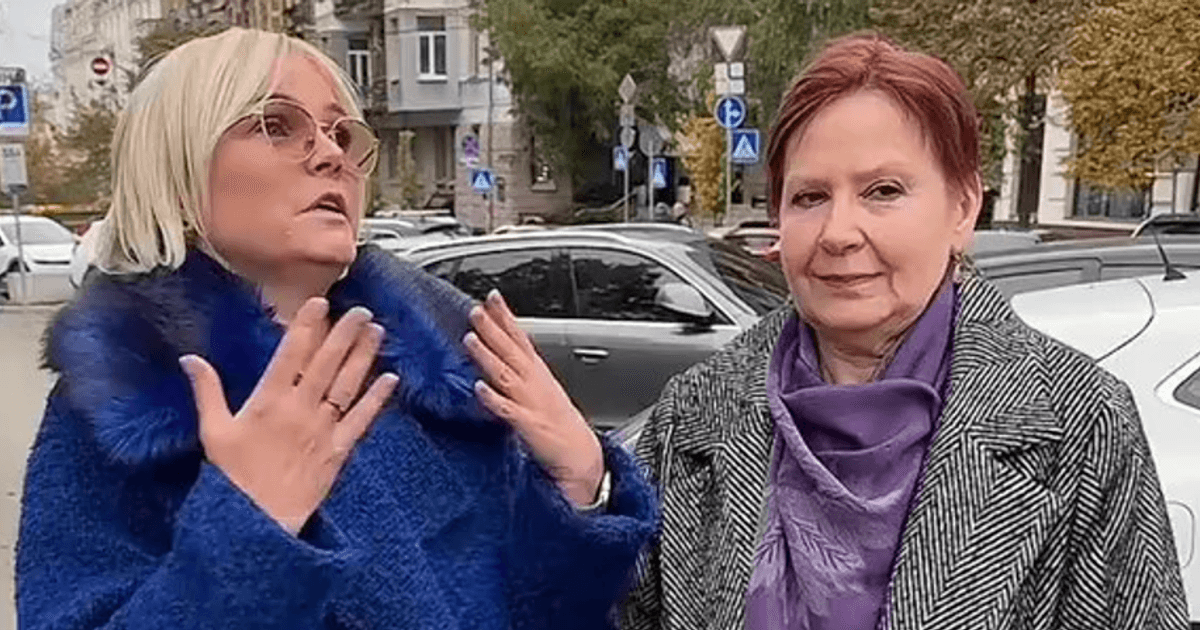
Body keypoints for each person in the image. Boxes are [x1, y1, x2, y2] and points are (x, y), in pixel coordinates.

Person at [469, 34, 1188, 629]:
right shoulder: (698, 412)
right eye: (810, 196)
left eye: (883, 191)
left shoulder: (1079, 420)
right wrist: (588, 487)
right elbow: (610, 611)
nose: (839, 232)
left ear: (963, 207)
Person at [17, 28, 656, 630]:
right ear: (176, 167)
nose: (331, 155)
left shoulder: (452, 385)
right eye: (277, 124)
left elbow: (546, 613)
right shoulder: (130, 400)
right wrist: (247, 531)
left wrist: (583, 488)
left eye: (342, 134)